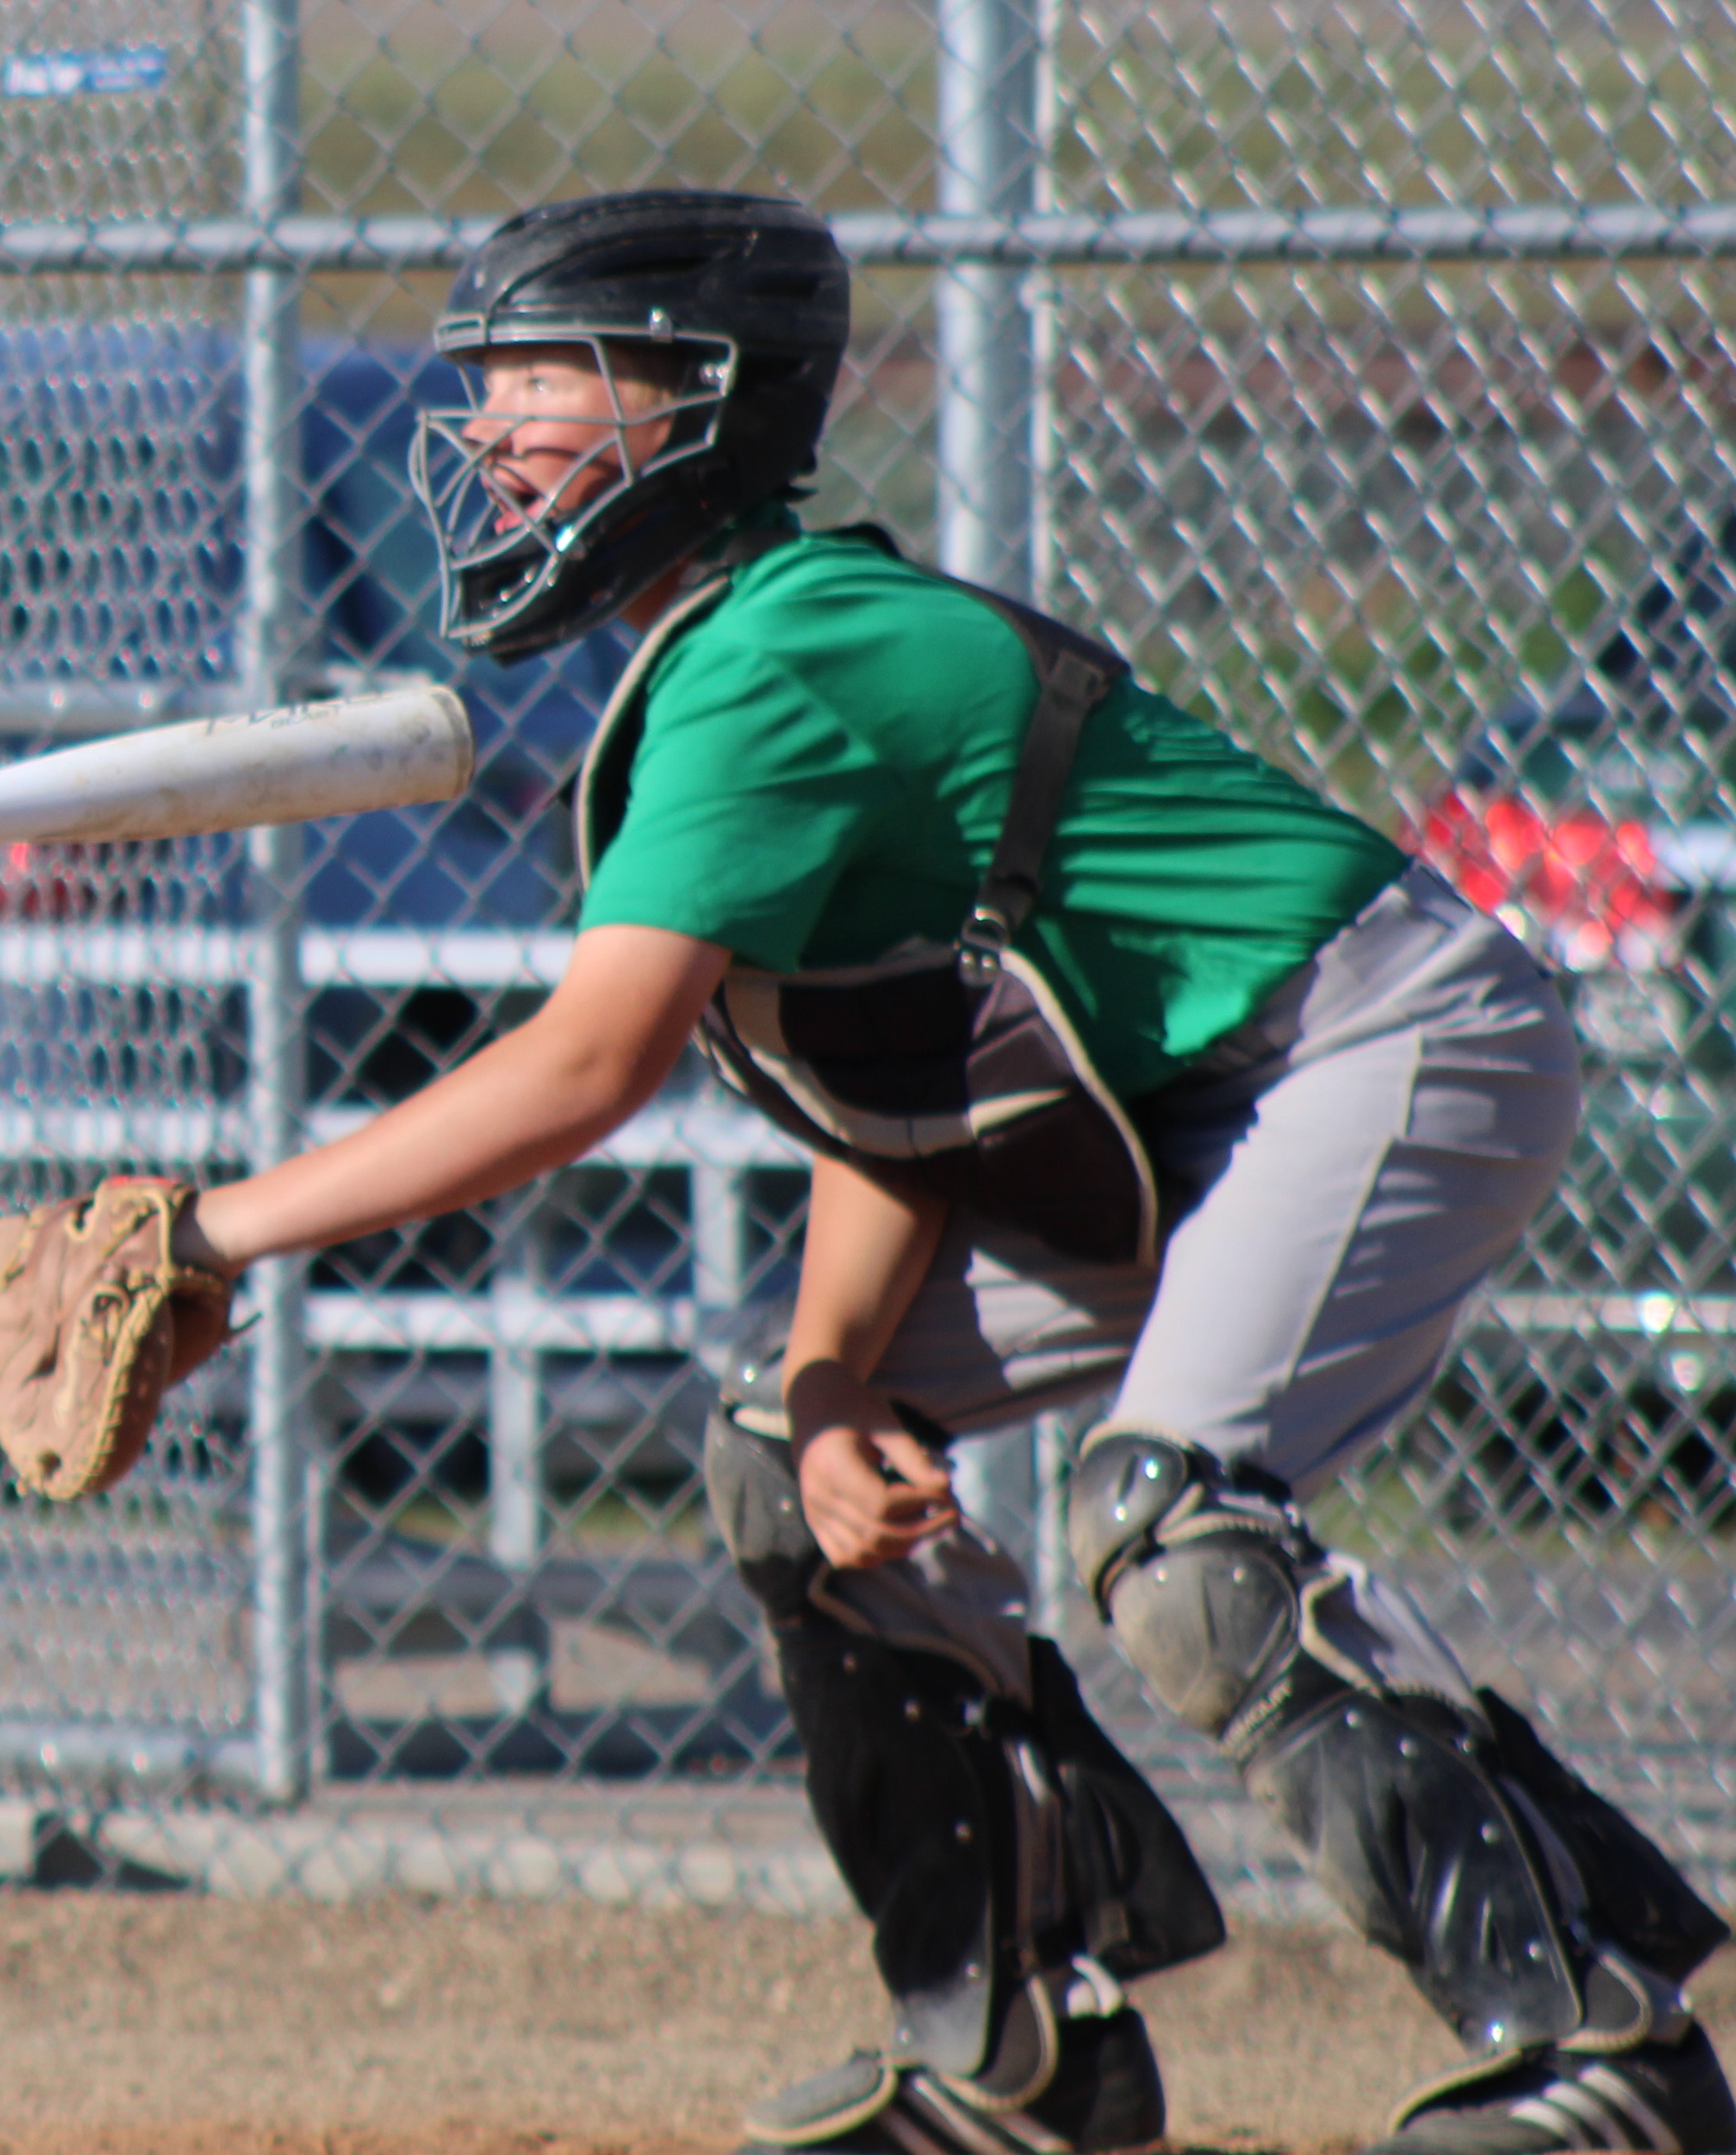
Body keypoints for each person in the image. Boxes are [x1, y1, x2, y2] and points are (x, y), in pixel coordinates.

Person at [127, 189, 1729, 2155]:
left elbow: (578, 1071)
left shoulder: (782, 657)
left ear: (692, 409)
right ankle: (1020, 2061)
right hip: (1163, 1112)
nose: (490, 430)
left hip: (1376, 1037)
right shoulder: (732, 658)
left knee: (1180, 1524)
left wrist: (207, 1233)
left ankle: (1604, 2058)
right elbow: (894, 1092)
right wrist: (825, 1391)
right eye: (488, 385)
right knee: (776, 1459)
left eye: (545, 378)